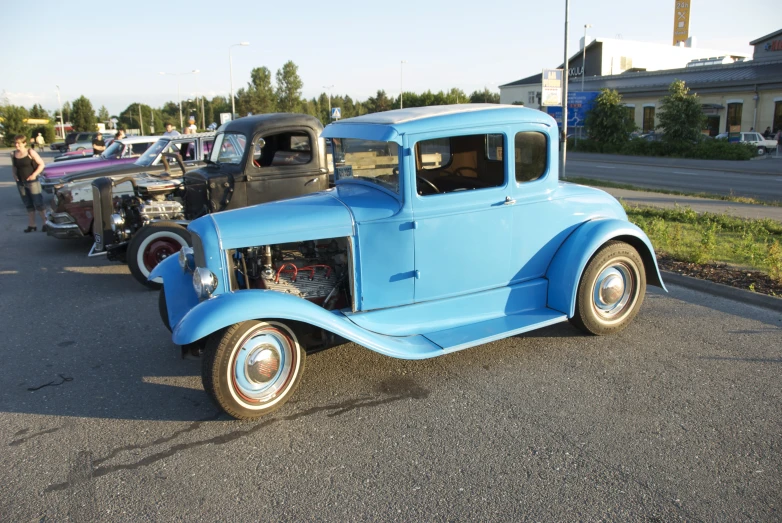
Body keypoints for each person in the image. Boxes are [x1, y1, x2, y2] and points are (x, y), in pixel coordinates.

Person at [10, 134, 46, 232]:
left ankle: (45, 223)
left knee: (38, 203)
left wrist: (34, 175)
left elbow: (41, 164)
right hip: (21, 183)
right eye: (15, 143)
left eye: (19, 143)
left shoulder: (30, 152)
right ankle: (32, 225)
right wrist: (14, 174)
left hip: (32, 182)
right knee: (28, 204)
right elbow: (14, 166)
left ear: (24, 143)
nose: (16, 145)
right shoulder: (13, 154)